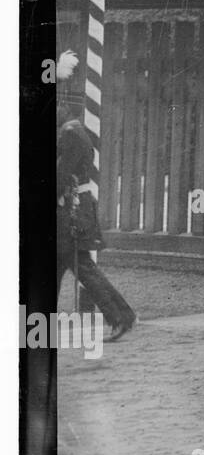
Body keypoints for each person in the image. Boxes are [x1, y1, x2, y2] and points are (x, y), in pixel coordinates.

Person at [56, 103, 136, 342]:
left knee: (82, 267)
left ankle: (120, 316)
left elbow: (61, 175)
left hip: (69, 211)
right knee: (71, 266)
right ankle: (122, 315)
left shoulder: (70, 134)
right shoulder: (75, 132)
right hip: (73, 208)